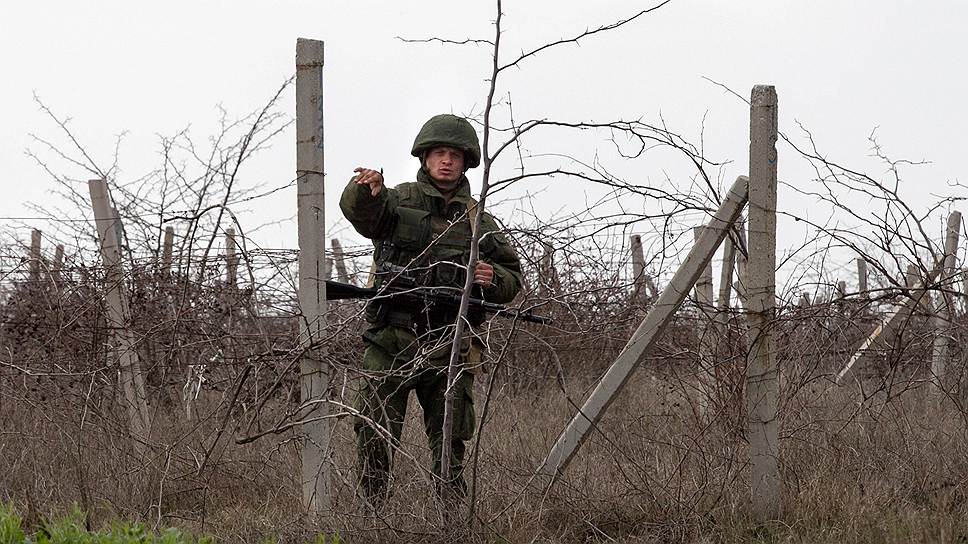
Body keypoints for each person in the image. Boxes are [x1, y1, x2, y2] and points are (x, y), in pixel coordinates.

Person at [339, 114, 522, 504]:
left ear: (466, 162)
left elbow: (513, 278)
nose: (446, 161)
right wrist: (366, 189)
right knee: (374, 430)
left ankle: (452, 523)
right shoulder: (397, 199)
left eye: (455, 155)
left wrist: (492, 278)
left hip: (449, 344)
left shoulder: (479, 220)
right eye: (439, 153)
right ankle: (374, 517)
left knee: (450, 440)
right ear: (424, 157)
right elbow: (362, 215)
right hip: (391, 338)